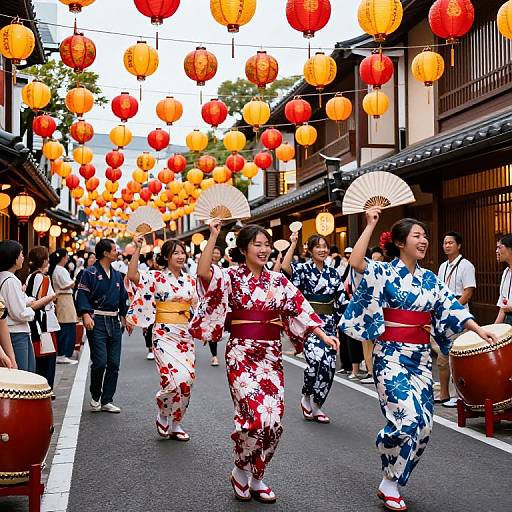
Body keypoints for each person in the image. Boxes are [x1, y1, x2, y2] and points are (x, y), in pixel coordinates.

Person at [341, 210, 495, 512]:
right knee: (407, 418)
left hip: (419, 358)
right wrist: (371, 224)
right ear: (400, 242)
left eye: (425, 236)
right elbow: (356, 262)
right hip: (391, 356)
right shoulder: (384, 271)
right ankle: (389, 476)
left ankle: (393, 481)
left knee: (424, 425)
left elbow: (450, 307)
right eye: (417, 236)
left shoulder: (429, 279)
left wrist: (477, 328)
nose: (424, 241)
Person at [191, 220, 338, 504]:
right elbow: (202, 272)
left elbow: (299, 306)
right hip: (241, 353)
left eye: (266, 245)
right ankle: (240, 468)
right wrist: (213, 235)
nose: (263, 249)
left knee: (272, 419)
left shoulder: (278, 280)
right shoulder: (231, 277)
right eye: (256, 245)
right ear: (243, 249)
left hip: (270, 354)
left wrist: (322, 333)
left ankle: (257, 474)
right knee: (254, 416)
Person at [127, 235, 197, 441]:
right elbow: (132, 276)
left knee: (187, 381)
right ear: (166, 257)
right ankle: (163, 413)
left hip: (185, 335)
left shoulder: (191, 280)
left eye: (183, 252)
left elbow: (199, 307)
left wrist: (206, 327)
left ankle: (176, 423)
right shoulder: (156, 277)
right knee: (173, 379)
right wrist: (137, 248)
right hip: (163, 334)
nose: (180, 256)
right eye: (175, 253)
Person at [281, 232, 345, 423]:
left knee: (329, 366)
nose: (323, 250)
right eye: (318, 246)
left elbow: (341, 301)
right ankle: (306, 395)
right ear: (310, 250)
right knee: (316, 362)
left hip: (329, 325)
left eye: (325, 246)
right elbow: (285, 267)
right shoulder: (302, 269)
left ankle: (317, 405)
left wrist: (345, 324)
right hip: (308, 323)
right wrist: (293, 243)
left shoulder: (334, 273)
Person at [76, 239, 130, 413]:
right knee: (100, 362)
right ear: (106, 253)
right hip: (96, 319)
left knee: (114, 363)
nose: (117, 252)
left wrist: (125, 317)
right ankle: (95, 394)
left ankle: (107, 399)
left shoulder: (117, 275)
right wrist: (85, 314)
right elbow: (82, 294)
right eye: (114, 250)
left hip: (114, 320)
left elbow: (123, 297)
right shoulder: (89, 273)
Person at [0, 241, 55, 371]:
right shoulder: (11, 281)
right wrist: (32, 310)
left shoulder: (6, 278)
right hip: (17, 333)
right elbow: (20, 313)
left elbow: (22, 301)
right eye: (21, 254)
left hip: (12, 331)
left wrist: (30, 301)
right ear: (13, 258)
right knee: (24, 372)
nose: (23, 257)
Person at [436, 232, 476, 407]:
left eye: (451, 242)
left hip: (458, 313)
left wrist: (453, 310)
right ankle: (444, 393)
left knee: (457, 356)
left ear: (459, 246)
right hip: (444, 313)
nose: (447, 245)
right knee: (442, 356)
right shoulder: (443, 266)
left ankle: (458, 396)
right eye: (445, 242)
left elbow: (468, 292)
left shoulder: (466, 265)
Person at [26, 246, 60, 391]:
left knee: (41, 358)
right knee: (48, 358)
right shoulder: (42, 278)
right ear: (45, 260)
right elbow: (40, 300)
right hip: (44, 324)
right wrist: (53, 296)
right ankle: (46, 388)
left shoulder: (30, 276)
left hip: (36, 323)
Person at [50, 249, 78, 365]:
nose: (67, 259)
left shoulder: (59, 269)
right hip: (64, 297)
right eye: (66, 257)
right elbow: (66, 285)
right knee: (66, 325)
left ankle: (64, 353)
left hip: (64, 298)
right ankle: (63, 353)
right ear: (62, 258)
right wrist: (75, 281)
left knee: (67, 324)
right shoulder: (60, 270)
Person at [207, 246, 226, 367]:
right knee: (212, 329)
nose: (215, 254)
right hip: (210, 302)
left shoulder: (224, 269)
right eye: (213, 252)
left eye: (218, 252)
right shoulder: (206, 268)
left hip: (223, 302)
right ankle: (214, 356)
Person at [495, 234, 512, 325]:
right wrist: (494, 328)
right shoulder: (506, 272)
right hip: (507, 319)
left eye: (499, 247)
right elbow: (503, 306)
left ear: (510, 249)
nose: (497, 251)